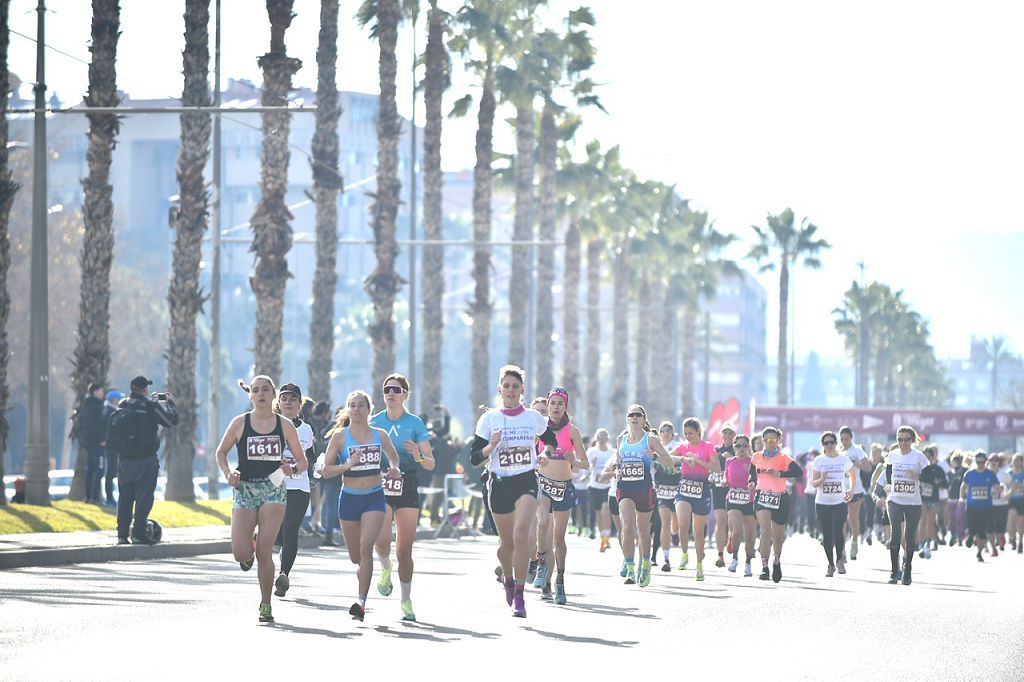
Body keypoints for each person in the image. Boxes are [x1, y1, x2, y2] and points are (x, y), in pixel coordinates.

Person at [215, 376, 306, 623]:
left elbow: (302, 461)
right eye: (256, 390)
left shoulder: (285, 425)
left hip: (273, 487)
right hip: (244, 489)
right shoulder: (240, 423)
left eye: (266, 389)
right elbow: (221, 452)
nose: (261, 394)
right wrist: (228, 473)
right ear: (251, 396)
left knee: (265, 552)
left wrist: (292, 469)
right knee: (240, 553)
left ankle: (266, 604)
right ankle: (249, 546)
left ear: (273, 394)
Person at [470, 365, 559, 618]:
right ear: (500, 389)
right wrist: (492, 446)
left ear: (522, 391)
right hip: (499, 484)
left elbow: (550, 440)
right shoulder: (489, 419)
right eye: (506, 386)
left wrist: (544, 453)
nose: (510, 391)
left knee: (522, 536)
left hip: (526, 480)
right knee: (506, 545)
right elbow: (475, 459)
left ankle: (519, 595)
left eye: (515, 387)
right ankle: (508, 579)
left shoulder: (532, 417)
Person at [318, 389, 402, 621]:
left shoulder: (380, 434)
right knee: (356, 557)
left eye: (360, 405)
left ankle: (361, 602)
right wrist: (346, 466)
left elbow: (393, 456)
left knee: (366, 547)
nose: (356, 409)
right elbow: (325, 470)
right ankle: (376, 570)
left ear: (368, 409)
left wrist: (394, 468)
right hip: (349, 498)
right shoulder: (340, 437)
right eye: (352, 405)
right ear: (347, 409)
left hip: (374, 497)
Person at [371, 373, 435, 622]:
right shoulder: (374, 421)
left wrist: (418, 454)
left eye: (397, 390)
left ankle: (406, 600)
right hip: (381, 482)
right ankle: (385, 567)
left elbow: (430, 463)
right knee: (382, 540)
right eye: (387, 389)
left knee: (405, 550)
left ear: (406, 394)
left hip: (407, 482)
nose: (391, 393)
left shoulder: (415, 423)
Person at [602, 404, 674, 588]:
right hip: (624, 487)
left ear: (643, 418)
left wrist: (655, 457)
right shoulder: (621, 439)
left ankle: (646, 564)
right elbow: (619, 461)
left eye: (638, 415)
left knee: (643, 531)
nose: (634, 418)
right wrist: (616, 469)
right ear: (627, 418)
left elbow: (670, 461)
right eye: (631, 415)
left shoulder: (650, 439)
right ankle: (630, 568)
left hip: (644, 489)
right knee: (627, 526)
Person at [533, 388, 588, 605]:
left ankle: (560, 581)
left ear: (565, 407)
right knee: (543, 523)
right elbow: (532, 453)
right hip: (543, 484)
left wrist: (572, 459)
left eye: (560, 404)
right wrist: (540, 459)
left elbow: (586, 463)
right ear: (547, 405)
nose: (555, 407)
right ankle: (541, 564)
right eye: (552, 403)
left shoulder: (572, 431)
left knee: (558, 538)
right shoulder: (540, 428)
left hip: (563, 487)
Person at [112, 376, 179, 545]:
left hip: (124, 461)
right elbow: (171, 421)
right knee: (144, 498)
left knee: (125, 498)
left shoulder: (122, 404)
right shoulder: (150, 407)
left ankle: (121, 535)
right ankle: (138, 534)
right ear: (144, 389)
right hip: (145, 461)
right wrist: (169, 403)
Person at [270, 383, 315, 599]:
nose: (288, 402)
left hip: (299, 486)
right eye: (284, 398)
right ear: (278, 403)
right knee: (277, 532)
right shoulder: (269, 425)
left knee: (290, 530)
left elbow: (311, 457)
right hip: (274, 484)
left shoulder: (306, 429)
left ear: (299, 404)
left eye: (293, 399)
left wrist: (316, 468)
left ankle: (283, 575)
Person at [752, 426, 802, 583]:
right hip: (762, 497)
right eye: (768, 440)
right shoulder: (756, 456)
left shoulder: (783, 458)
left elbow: (798, 472)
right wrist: (751, 481)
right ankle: (764, 567)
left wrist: (780, 474)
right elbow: (752, 473)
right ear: (763, 441)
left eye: (774, 440)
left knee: (778, 534)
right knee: (765, 529)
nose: (771, 443)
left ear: (778, 441)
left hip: (780, 498)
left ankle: (777, 561)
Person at [672, 417, 721, 581]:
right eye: (685, 433)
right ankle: (685, 554)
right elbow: (669, 458)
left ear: (698, 432)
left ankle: (699, 566)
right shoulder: (683, 446)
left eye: (691, 433)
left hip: (702, 490)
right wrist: (683, 459)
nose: (688, 437)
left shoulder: (707, 446)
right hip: (684, 488)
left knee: (698, 532)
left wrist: (699, 461)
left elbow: (717, 468)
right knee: (683, 524)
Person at [881, 426, 928, 584]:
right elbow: (888, 472)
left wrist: (917, 476)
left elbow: (929, 475)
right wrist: (888, 485)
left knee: (909, 537)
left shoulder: (919, 457)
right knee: (895, 535)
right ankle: (895, 571)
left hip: (913, 502)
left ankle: (907, 569)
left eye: (906, 440)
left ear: (912, 440)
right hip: (894, 500)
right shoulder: (892, 455)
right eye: (899, 439)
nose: (903, 443)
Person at [810, 431, 856, 577]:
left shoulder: (843, 459)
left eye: (831, 442)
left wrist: (852, 490)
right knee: (827, 535)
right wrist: (822, 480)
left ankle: (839, 560)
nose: (829, 445)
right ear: (823, 445)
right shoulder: (819, 460)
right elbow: (814, 483)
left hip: (839, 502)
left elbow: (853, 475)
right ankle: (830, 564)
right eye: (826, 443)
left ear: (836, 443)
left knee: (838, 531)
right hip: (822, 503)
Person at [838, 426, 872, 560]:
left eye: (846, 439)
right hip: (841, 489)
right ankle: (842, 549)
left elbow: (868, 467)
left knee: (852, 518)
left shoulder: (857, 450)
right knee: (841, 520)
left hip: (855, 488)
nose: (844, 441)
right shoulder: (838, 451)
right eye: (842, 439)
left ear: (851, 438)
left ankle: (854, 542)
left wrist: (856, 463)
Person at [724, 434, 756, 576]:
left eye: (744, 445)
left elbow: (757, 478)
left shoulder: (753, 462)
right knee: (737, 530)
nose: (741, 448)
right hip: (733, 499)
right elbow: (727, 477)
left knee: (749, 535)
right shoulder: (729, 461)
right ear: (734, 447)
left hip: (750, 500)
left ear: (749, 447)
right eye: (738, 445)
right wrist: (725, 481)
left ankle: (748, 562)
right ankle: (735, 559)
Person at [962, 450, 999, 562]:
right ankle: (970, 535)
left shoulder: (990, 474)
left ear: (985, 461)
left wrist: (1001, 489)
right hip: (972, 506)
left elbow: (997, 486)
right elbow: (963, 486)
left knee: (982, 531)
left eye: (982, 462)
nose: (980, 464)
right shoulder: (969, 474)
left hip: (986, 507)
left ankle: (979, 553)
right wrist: (961, 497)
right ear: (975, 462)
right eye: (978, 462)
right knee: (972, 525)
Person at [653, 420, 681, 571]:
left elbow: (679, 461)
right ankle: (666, 559)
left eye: (669, 429)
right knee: (665, 521)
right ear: (659, 432)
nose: (666, 432)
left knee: (675, 522)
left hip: (676, 487)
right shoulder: (655, 445)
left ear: (673, 432)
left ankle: (674, 533)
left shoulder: (678, 445)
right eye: (663, 430)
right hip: (661, 488)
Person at [710, 423, 735, 568]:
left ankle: (731, 537)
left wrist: (732, 457)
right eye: (725, 433)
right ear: (722, 435)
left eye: (730, 433)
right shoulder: (716, 450)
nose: (727, 436)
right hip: (718, 488)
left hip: (733, 490)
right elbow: (709, 465)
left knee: (731, 522)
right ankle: (720, 555)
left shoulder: (739, 449)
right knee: (720, 521)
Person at [917, 445, 948, 559]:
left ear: (933, 457)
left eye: (929, 456)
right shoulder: (919, 468)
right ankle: (921, 545)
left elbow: (945, 484)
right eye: (924, 456)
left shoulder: (938, 469)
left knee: (930, 522)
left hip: (933, 499)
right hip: (921, 499)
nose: (927, 458)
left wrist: (937, 481)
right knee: (922, 521)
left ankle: (928, 544)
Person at [79, 382, 107, 505]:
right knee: (100, 469)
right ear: (95, 392)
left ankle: (88, 497)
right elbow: (96, 426)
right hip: (97, 444)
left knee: (90, 469)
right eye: (101, 392)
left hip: (88, 443)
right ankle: (94, 498)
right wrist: (102, 439)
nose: (102, 394)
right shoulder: (97, 407)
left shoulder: (86, 406)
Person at [587, 429, 615, 552]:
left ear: (608, 438)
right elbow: (586, 468)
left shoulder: (612, 452)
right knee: (599, 513)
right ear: (597, 438)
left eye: (605, 436)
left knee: (606, 509)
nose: (603, 438)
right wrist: (592, 465)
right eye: (600, 436)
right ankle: (602, 536)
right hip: (595, 486)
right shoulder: (592, 451)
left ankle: (607, 537)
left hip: (608, 485)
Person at [101, 389, 124, 507]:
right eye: (118, 398)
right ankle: (109, 498)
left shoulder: (111, 410)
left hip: (113, 445)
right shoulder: (109, 411)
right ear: (113, 400)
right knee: (110, 473)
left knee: (112, 472)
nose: (119, 400)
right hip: (111, 446)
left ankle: (112, 498)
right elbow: (106, 429)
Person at [989, 454, 1010, 551]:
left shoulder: (1004, 474)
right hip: (989, 504)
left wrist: (1007, 495)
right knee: (990, 524)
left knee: (1000, 524)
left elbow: (1012, 486)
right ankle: (991, 545)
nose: (994, 462)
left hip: (1002, 503)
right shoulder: (986, 473)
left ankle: (1000, 540)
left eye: (996, 460)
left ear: (999, 462)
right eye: (991, 460)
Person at [946, 451, 967, 546]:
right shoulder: (950, 472)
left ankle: (960, 536)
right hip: (951, 498)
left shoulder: (964, 471)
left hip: (961, 499)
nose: (954, 463)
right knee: (951, 518)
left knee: (959, 517)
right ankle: (952, 535)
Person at [1007, 453, 1024, 554]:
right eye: (1014, 460)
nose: (1016, 462)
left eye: (1018, 460)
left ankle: (1020, 542)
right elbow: (1005, 485)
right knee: (1011, 519)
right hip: (1012, 500)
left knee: (1020, 524)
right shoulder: (1009, 473)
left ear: (1021, 462)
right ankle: (1012, 538)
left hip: (1022, 500)